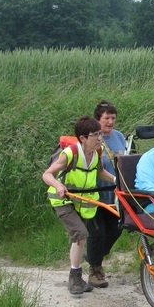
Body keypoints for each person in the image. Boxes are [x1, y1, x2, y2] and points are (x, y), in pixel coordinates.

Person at [42, 115, 116, 295]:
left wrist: (116, 180)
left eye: (100, 134)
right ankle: (75, 277)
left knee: (78, 239)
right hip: (63, 200)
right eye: (95, 135)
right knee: (81, 235)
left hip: (82, 201)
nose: (100, 138)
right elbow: (47, 174)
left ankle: (77, 277)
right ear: (83, 138)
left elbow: (100, 172)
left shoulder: (96, 153)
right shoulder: (70, 153)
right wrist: (59, 185)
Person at [87, 101, 125, 288]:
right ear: (97, 120)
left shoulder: (119, 137)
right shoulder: (92, 138)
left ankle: (93, 256)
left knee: (116, 229)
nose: (110, 122)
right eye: (106, 118)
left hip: (114, 194)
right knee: (97, 233)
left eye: (113, 118)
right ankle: (95, 270)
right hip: (94, 194)